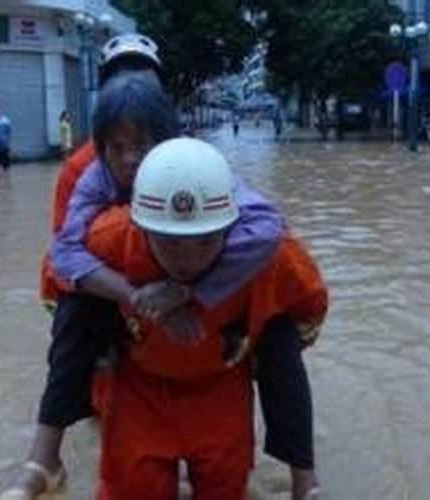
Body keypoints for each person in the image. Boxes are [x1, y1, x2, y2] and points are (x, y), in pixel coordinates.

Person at [2, 35, 320, 500]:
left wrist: (193, 291)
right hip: (121, 294)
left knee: (278, 333)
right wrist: (138, 297)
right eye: (118, 145)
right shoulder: (87, 175)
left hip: (209, 321)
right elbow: (66, 258)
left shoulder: (196, 166)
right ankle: (45, 454)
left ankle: (304, 479)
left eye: (144, 88)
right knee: (76, 309)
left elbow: (269, 230)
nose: (131, 158)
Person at [87, 137, 328, 499]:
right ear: (142, 230)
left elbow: (308, 310)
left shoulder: (274, 260)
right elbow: (62, 290)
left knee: (225, 486)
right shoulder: (109, 242)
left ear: (232, 231)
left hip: (222, 388)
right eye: (169, 243)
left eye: (205, 241)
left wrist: (258, 346)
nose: (188, 258)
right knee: (132, 488)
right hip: (139, 390)